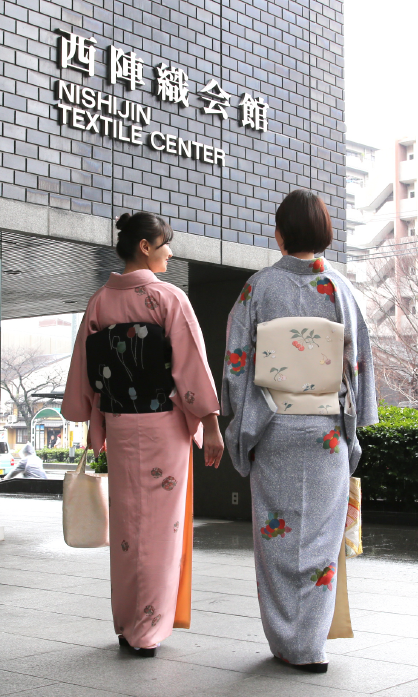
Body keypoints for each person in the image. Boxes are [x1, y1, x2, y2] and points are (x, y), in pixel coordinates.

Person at [222, 189, 378, 672]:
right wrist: (354, 428)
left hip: (272, 427)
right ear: (325, 232)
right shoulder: (341, 288)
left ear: (281, 233)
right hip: (326, 431)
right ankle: (310, 647)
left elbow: (236, 365)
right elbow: (356, 364)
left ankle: (285, 641)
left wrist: (240, 424)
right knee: (318, 543)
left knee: (276, 538)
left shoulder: (259, 287)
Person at [62, 211, 223, 657]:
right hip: (163, 427)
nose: (171, 251)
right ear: (146, 247)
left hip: (120, 422)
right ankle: (146, 631)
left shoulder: (100, 302)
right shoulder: (168, 298)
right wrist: (209, 423)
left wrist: (92, 416)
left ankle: (127, 622)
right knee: (158, 530)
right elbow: (191, 364)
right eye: (165, 243)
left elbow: (87, 368)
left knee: (128, 531)